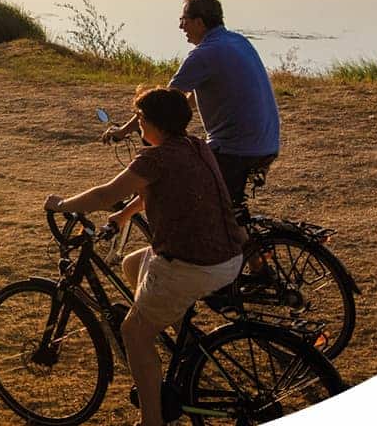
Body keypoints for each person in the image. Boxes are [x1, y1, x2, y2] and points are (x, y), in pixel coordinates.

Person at [48, 87, 246, 426]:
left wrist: (62, 205)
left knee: (133, 334)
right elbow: (164, 189)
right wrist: (125, 214)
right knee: (132, 263)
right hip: (228, 256)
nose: (137, 124)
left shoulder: (154, 158)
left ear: (154, 123)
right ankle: (164, 327)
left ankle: (151, 420)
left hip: (193, 265)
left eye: (140, 118)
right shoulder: (195, 145)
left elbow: (105, 193)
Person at [104, 0, 280, 206]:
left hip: (235, 150)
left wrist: (123, 131)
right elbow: (187, 98)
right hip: (266, 143)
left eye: (183, 20)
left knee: (183, 192)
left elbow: (160, 104)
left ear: (199, 22)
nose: (181, 27)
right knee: (223, 208)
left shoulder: (204, 54)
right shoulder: (238, 41)